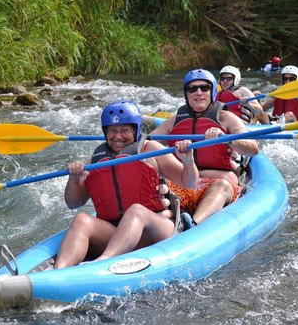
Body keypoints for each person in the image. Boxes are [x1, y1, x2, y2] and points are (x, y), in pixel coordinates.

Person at [54, 101, 199, 269]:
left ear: (135, 130)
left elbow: (190, 182)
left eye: (124, 130)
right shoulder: (97, 159)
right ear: (105, 132)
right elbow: (73, 204)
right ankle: (57, 273)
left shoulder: (150, 149)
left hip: (155, 230)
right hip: (116, 234)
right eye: (112, 131)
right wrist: (73, 179)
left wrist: (188, 162)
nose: (118, 136)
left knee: (136, 210)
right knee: (82, 220)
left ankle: (103, 262)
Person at [150, 69, 259, 227]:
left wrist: (227, 140)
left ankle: (193, 224)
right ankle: (164, 220)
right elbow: (146, 146)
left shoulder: (225, 118)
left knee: (222, 185)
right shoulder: (175, 121)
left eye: (204, 88)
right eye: (192, 89)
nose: (198, 92)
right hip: (183, 183)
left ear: (213, 91)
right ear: (186, 94)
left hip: (218, 182)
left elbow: (252, 148)